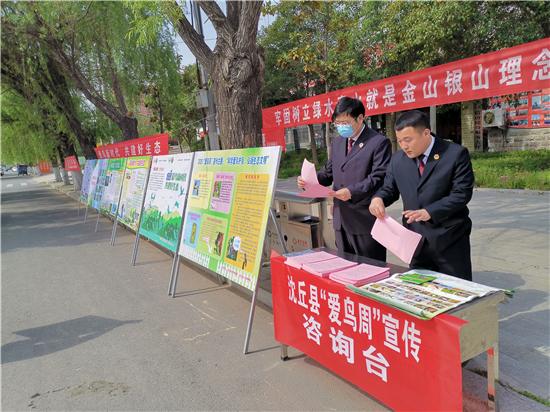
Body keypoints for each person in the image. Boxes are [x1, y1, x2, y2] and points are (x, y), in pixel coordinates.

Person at [369, 110, 475, 281]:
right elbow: (389, 188)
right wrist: (378, 198)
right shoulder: (397, 160)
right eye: (400, 140)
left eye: (408, 140)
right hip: (415, 240)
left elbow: (461, 193)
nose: (404, 146)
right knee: (420, 287)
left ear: (426, 133)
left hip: (449, 239)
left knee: (455, 288)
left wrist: (429, 211)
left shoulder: (455, 154)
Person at [298, 97, 392, 261]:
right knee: (345, 266)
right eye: (338, 123)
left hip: (364, 220)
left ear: (360, 118)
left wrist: (351, 191)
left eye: (345, 122)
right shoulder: (338, 142)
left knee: (370, 268)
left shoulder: (378, 142)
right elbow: (328, 172)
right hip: (340, 219)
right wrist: (308, 179)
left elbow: (378, 178)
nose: (341, 126)